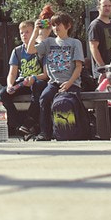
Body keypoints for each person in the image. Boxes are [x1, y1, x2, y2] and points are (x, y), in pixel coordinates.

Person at [37, 13, 85, 141]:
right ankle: (45, 132)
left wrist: (69, 83)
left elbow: (78, 67)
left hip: (71, 83)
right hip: (54, 83)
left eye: (58, 24)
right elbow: (31, 50)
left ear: (68, 26)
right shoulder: (49, 42)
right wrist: (38, 30)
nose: (55, 27)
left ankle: (69, 132)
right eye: (53, 25)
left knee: (66, 103)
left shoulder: (75, 43)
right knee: (44, 98)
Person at [2, 19, 46, 138]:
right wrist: (10, 85)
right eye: (21, 33)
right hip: (22, 82)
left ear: (34, 33)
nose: (24, 35)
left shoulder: (41, 49)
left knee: (38, 87)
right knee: (3, 94)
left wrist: (34, 77)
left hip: (37, 80)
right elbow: (12, 73)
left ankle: (28, 123)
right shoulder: (17, 51)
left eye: (27, 32)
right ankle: (20, 124)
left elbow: (46, 74)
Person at [87, 0, 111, 71]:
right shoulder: (95, 25)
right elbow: (93, 48)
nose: (107, 8)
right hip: (103, 69)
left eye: (109, 6)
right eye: (104, 6)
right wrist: (103, 67)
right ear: (98, 8)